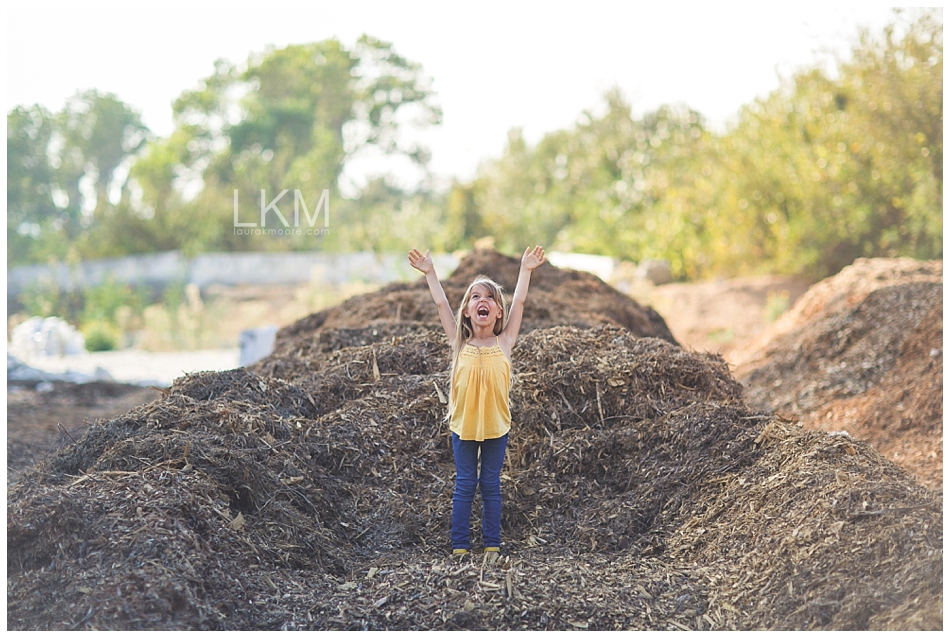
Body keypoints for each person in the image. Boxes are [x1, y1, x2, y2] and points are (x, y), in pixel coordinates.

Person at [407, 246, 546, 556]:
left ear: (498, 312)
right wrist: (430, 272)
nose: (483, 301)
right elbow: (441, 303)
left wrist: (526, 269)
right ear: (467, 312)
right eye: (475, 297)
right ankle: (459, 546)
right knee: (466, 484)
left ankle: (492, 545)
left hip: (497, 425)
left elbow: (520, 300)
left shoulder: (505, 341)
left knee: (491, 485)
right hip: (464, 425)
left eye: (490, 299)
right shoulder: (460, 343)